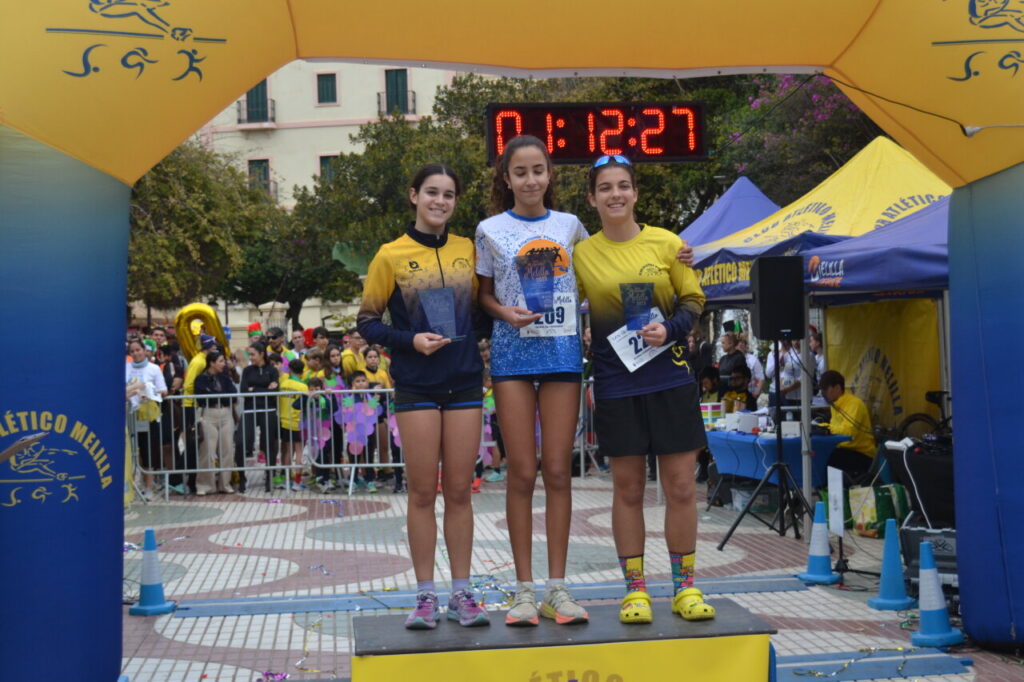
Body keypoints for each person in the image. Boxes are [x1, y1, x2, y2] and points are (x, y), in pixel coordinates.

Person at [572, 154, 714, 625]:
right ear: (592, 199)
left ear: (635, 192)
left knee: (681, 487)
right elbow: (557, 300)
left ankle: (685, 587)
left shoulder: (669, 244)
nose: (615, 194)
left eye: (623, 186)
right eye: (605, 187)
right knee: (628, 489)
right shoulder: (581, 254)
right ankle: (635, 591)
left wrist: (670, 329)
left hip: (670, 380)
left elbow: (693, 300)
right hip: (617, 386)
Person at [357, 162, 489, 630]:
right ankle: (425, 596)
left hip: (465, 382)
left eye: (448, 195)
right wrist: (410, 340)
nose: (440, 201)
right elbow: (368, 322)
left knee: (459, 492)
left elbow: (481, 313)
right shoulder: (390, 255)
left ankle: (462, 594)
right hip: (416, 385)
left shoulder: (468, 249)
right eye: (432, 192)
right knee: (420, 492)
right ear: (414, 195)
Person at [475, 135, 590, 627]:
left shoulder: (571, 226)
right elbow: (483, 295)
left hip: (563, 353)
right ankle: (523, 590)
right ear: (506, 178)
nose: (530, 180)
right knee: (522, 472)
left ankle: (556, 588)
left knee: (559, 471)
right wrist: (504, 312)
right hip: (511, 357)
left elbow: (601, 270)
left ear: (549, 174)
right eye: (520, 172)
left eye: (538, 170)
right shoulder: (488, 230)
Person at [126, 338, 168, 500]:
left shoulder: (154, 368)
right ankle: (132, 484)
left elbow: (163, 390)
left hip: (148, 414)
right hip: (130, 413)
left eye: (138, 350)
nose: (136, 353)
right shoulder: (126, 367)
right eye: (132, 351)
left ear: (144, 350)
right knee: (131, 450)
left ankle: (149, 486)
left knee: (148, 450)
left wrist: (150, 392)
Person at [237, 341, 279, 494]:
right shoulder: (247, 371)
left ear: (262, 354)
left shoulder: (272, 370)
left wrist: (254, 389)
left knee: (269, 443)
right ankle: (242, 477)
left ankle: (269, 476)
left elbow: (275, 392)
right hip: (250, 410)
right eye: (249, 354)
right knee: (241, 442)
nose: (251, 357)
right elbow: (244, 391)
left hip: (268, 409)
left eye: (253, 354)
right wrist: (264, 389)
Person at [194, 350, 237, 495]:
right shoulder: (201, 379)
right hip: (208, 414)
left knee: (227, 450)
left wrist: (213, 394)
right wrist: (219, 395)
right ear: (212, 363)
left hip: (225, 413)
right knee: (207, 450)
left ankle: (225, 484)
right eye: (220, 361)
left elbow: (233, 395)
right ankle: (205, 485)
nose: (224, 364)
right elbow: (201, 396)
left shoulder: (225, 378)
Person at [819, 370, 875, 483]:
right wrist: (820, 427)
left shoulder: (854, 404)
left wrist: (828, 429)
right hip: (844, 450)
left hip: (861, 453)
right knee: (820, 455)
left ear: (837, 388)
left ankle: (831, 490)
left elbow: (849, 433)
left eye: (826, 389)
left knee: (831, 459)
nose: (823, 393)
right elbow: (835, 427)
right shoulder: (835, 405)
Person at [180, 333, 217, 494]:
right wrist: (200, 396)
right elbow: (189, 385)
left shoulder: (203, 360)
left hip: (195, 405)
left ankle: (194, 480)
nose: (215, 347)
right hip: (191, 406)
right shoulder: (199, 361)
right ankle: (187, 481)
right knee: (192, 443)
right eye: (213, 345)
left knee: (197, 443)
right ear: (208, 346)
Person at [277, 358, 309, 491]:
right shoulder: (303, 387)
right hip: (298, 422)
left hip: (284, 420)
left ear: (289, 370)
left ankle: (286, 480)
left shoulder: (283, 384)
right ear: (302, 371)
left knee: (288, 451)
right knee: (299, 451)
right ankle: (297, 481)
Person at [736, 333, 765, 399]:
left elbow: (761, 378)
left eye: (743, 342)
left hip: (750, 395)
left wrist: (756, 394)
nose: (740, 344)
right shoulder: (730, 359)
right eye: (738, 343)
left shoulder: (753, 359)